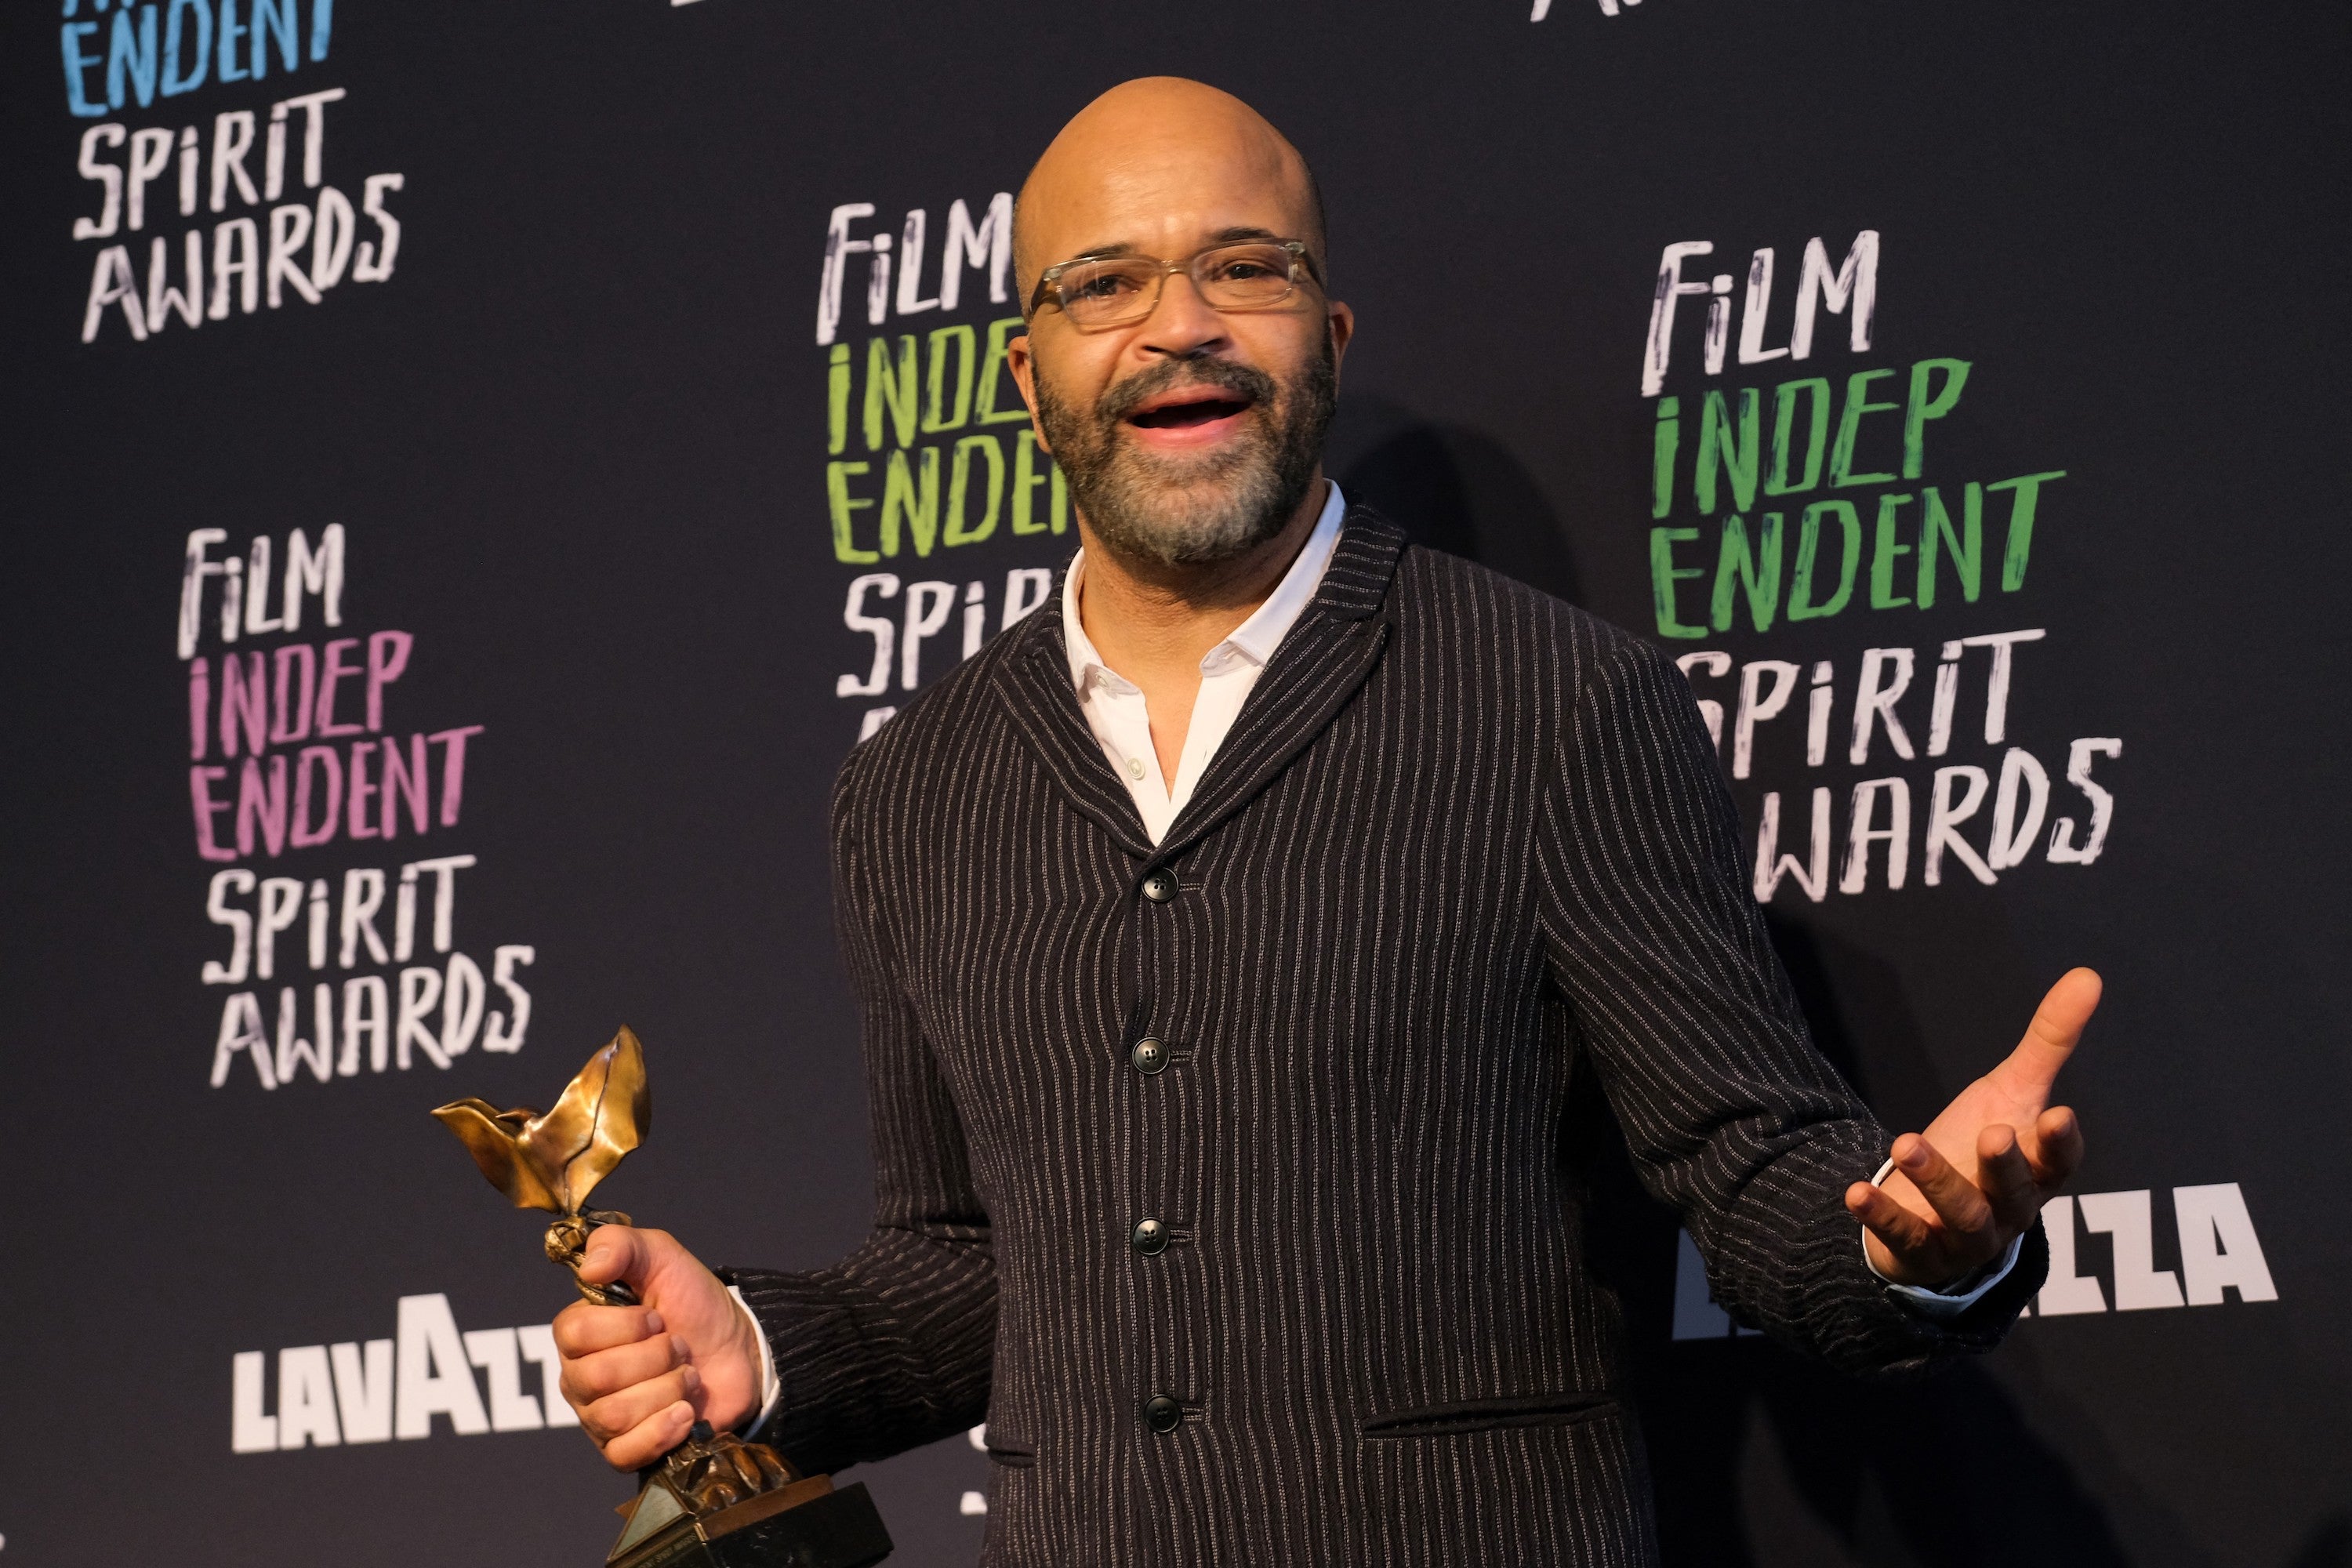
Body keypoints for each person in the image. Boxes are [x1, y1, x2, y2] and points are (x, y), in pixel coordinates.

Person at [551, 77, 2096, 1565]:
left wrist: (1912, 1247)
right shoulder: (911, 789)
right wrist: (757, 1345)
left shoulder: (1559, 707)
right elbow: (975, 1261)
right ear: (1026, 376)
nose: (1181, 324)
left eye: (1245, 265)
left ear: (1330, 337)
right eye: (1104, 283)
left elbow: (1752, 1168)